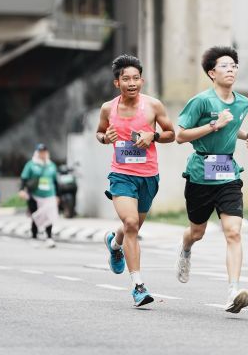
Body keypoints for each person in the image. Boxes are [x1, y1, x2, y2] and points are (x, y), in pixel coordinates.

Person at [175, 46, 248, 314]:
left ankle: (234, 291)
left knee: (233, 232)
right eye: (224, 65)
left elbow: (232, 124)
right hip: (201, 172)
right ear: (212, 73)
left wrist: (246, 136)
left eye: (234, 65)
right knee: (196, 232)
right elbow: (180, 135)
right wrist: (214, 125)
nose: (231, 69)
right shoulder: (201, 101)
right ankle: (185, 247)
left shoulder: (243, 103)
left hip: (228, 173)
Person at [96, 53, 175, 307]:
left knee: (133, 227)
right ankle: (138, 286)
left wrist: (153, 135)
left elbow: (171, 134)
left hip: (148, 176)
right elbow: (99, 132)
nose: (132, 83)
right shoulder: (108, 108)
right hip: (121, 174)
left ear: (142, 80)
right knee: (130, 223)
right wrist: (105, 138)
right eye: (126, 79)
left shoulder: (153, 106)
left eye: (136, 78)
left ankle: (114, 243)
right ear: (117, 82)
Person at [18, 144, 59, 248]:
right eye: (40, 152)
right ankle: (34, 235)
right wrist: (21, 190)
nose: (42, 154)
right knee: (36, 215)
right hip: (35, 195)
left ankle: (49, 237)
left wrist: (58, 195)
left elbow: (55, 181)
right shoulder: (31, 165)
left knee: (49, 216)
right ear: (37, 153)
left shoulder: (51, 165)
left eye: (44, 152)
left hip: (49, 195)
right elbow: (24, 178)